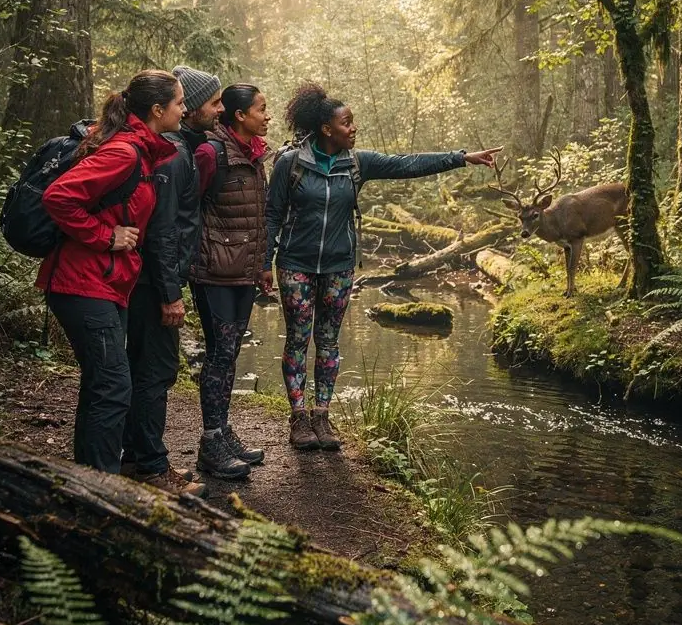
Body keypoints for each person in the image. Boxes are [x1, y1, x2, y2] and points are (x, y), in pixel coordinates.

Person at [264, 82, 501, 450]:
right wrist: (265, 262)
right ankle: (298, 418)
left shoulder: (358, 163)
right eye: (347, 123)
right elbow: (272, 215)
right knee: (298, 339)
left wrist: (461, 157)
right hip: (296, 264)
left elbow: (408, 164)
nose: (354, 128)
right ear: (327, 129)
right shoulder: (290, 164)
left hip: (340, 267)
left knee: (327, 341)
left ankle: (322, 418)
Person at [37, 70, 185, 475]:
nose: (184, 109)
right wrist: (107, 237)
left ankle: (89, 480)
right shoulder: (125, 152)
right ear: (158, 110)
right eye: (179, 103)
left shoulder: (143, 149)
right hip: (82, 283)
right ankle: (103, 490)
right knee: (114, 386)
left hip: (104, 284)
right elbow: (59, 196)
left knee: (102, 385)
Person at [122, 66, 223, 485]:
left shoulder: (173, 147)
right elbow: (163, 230)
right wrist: (170, 293)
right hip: (152, 283)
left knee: (138, 366)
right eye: (212, 102)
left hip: (142, 279)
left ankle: (131, 456)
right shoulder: (173, 154)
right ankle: (151, 464)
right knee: (156, 371)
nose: (219, 109)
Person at [190, 83, 271, 480]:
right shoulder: (210, 153)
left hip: (242, 273)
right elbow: (189, 211)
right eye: (261, 109)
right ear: (240, 115)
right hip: (213, 273)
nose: (267, 116)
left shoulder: (254, 155)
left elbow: (258, 219)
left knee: (231, 353)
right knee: (219, 353)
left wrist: (261, 265)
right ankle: (210, 442)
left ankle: (222, 432)